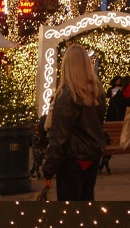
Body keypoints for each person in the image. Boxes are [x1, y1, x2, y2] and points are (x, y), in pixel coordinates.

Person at [41, 44, 107, 201]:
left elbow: (59, 136)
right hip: (92, 155)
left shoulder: (66, 94)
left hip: (72, 158)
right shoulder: (97, 90)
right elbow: (99, 122)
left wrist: (48, 169)